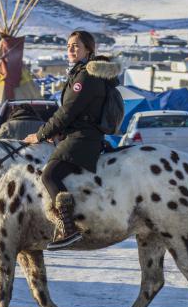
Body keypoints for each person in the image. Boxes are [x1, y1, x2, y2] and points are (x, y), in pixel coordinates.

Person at [24, 31, 121, 250]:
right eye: (69, 45)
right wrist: (57, 133)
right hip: (79, 134)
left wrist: (40, 135)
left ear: (89, 50)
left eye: (76, 46)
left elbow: (67, 112)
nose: (71, 49)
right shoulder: (79, 72)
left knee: (49, 175)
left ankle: (69, 228)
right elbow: (77, 112)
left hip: (83, 139)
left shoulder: (86, 76)